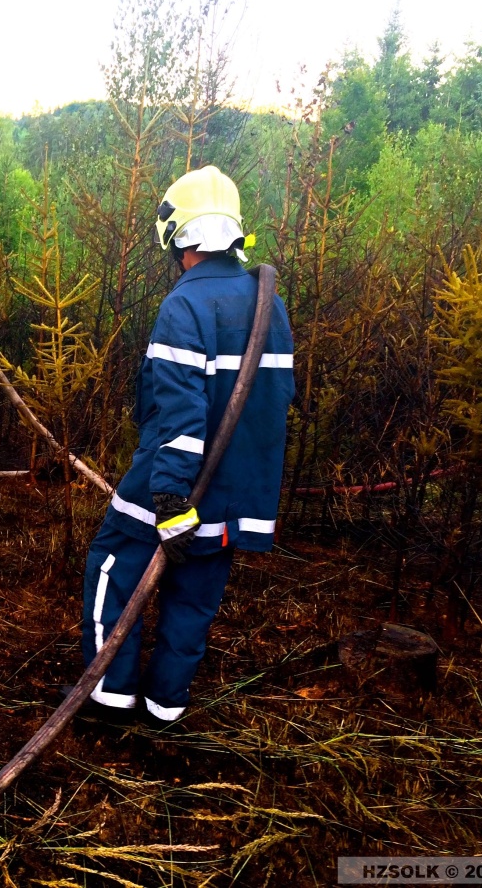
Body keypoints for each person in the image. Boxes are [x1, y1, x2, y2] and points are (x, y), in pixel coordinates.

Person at [79, 165, 296, 726]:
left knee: (110, 567)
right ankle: (166, 706)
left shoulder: (186, 305)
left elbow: (180, 413)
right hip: (231, 494)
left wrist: (172, 501)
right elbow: (272, 407)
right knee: (195, 597)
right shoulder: (268, 304)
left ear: (178, 238)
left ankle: (110, 697)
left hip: (169, 484)